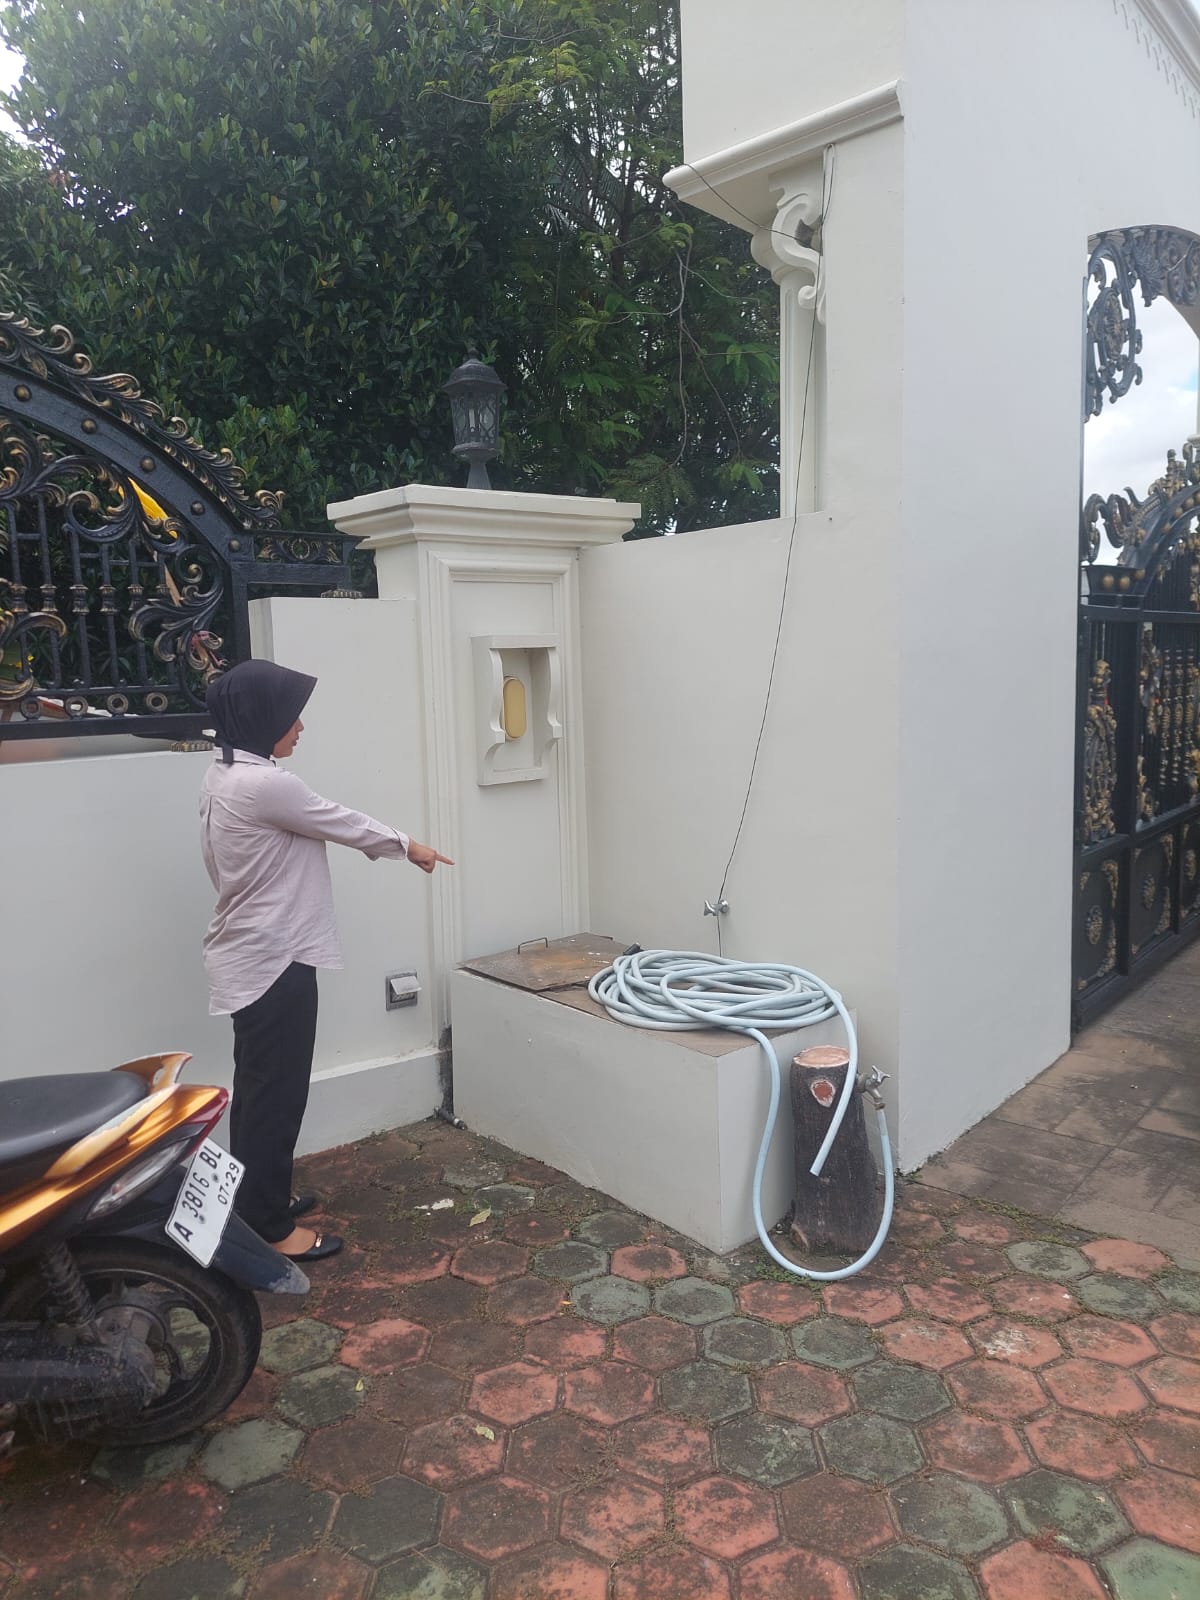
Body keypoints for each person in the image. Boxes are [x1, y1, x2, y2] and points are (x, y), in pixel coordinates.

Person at [200, 658, 452, 1260]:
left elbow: (317, 824)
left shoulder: (225, 773)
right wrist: (408, 846)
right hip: (275, 959)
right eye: (291, 716)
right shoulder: (266, 785)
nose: (300, 727)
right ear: (262, 718)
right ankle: (269, 1227)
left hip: (253, 954)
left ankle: (256, 1198)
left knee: (260, 1089)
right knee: (276, 1095)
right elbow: (338, 820)